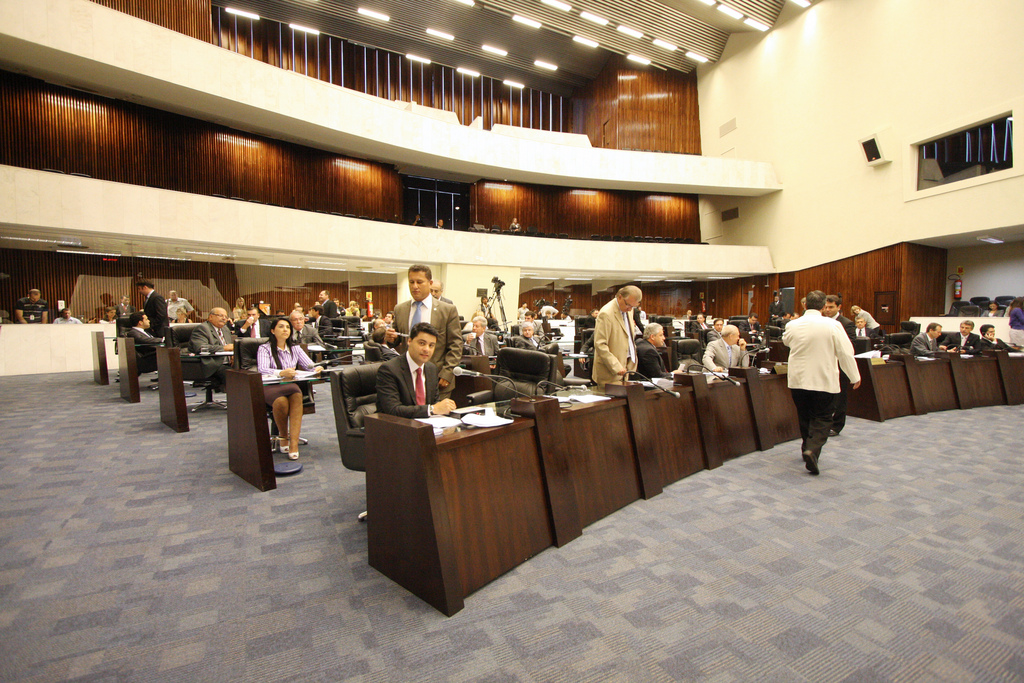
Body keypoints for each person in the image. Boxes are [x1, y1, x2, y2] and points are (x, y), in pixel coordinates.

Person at [782, 290, 861, 475]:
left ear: (805, 305)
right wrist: (854, 376)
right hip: (823, 379)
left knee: (804, 415)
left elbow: (786, 342)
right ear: (824, 306)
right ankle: (812, 449)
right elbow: (845, 353)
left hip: (798, 379)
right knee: (823, 417)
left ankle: (806, 449)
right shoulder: (833, 325)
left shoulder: (792, 325)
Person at [385, 264, 462, 400]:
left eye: (419, 282)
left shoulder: (447, 310)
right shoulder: (400, 309)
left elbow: (456, 345)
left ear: (430, 283)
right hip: (406, 379)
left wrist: (448, 373)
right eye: (411, 282)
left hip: (438, 379)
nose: (415, 286)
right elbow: (397, 340)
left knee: (437, 413)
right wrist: (391, 338)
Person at [257, 317, 321, 460]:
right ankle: (284, 436)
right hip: (270, 386)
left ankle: (293, 443)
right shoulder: (264, 348)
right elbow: (262, 369)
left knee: (296, 394)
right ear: (272, 331)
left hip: (289, 386)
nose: (285, 329)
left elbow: (309, 365)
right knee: (281, 402)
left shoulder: (295, 348)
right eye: (281, 327)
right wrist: (281, 373)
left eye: (287, 327)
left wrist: (316, 368)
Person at [376, 322, 457, 419]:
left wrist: (444, 408)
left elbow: (435, 402)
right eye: (422, 343)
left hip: (426, 424)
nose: (426, 349)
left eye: (431, 345)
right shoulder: (389, 370)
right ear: (409, 341)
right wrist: (431, 409)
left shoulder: (432, 369)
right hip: (396, 425)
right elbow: (393, 410)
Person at [592, 285, 642, 388]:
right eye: (628, 305)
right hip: (609, 371)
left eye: (633, 307)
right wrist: (616, 366)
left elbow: (628, 337)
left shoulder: (629, 310)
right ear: (620, 297)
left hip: (625, 368)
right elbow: (600, 345)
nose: (630, 309)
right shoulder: (606, 313)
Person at [822, 294, 856, 436]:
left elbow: (851, 345)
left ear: (839, 307)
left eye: (831, 307)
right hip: (825, 363)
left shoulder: (847, 323)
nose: (827, 310)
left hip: (840, 365)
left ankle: (837, 426)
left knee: (840, 397)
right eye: (826, 307)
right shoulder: (821, 322)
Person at [188, 308, 235, 391]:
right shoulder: (202, 328)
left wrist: (233, 355)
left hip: (227, 363)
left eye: (226, 317)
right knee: (233, 375)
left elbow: (230, 347)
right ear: (210, 317)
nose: (224, 318)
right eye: (220, 315)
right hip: (212, 363)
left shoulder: (225, 329)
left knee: (246, 371)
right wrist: (224, 348)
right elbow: (201, 348)